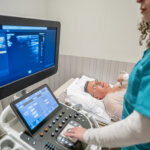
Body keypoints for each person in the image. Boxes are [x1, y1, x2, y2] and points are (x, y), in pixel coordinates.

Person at [65, 0, 150, 149]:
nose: (99, 83)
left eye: (96, 81)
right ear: (97, 97)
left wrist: (126, 79)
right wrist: (87, 134)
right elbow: (131, 123)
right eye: (95, 86)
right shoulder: (109, 102)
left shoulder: (116, 85)